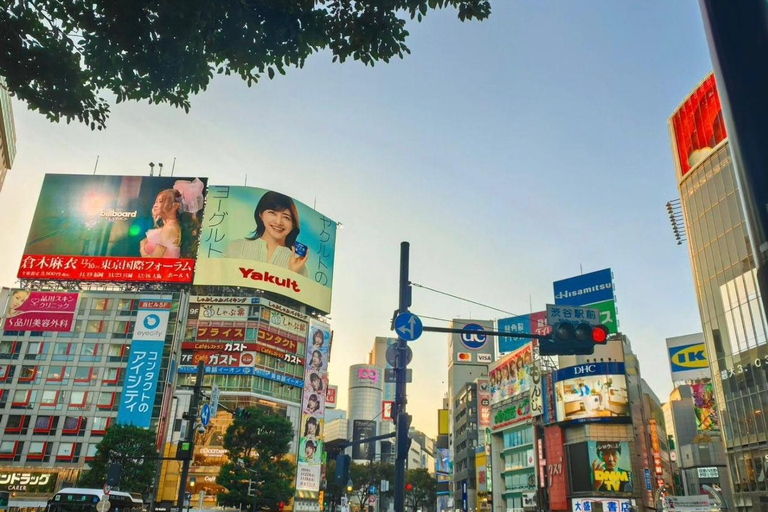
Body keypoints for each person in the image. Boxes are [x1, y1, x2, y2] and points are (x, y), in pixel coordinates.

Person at [224, 191, 309, 276]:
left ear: (293, 225)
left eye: (286, 217)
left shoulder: (299, 266)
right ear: (261, 214)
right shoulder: (235, 247)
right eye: (272, 213)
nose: (278, 222)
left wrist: (292, 273)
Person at [140, 179, 204, 259]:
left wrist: (142, 248)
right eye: (156, 202)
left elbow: (152, 261)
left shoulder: (170, 228)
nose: (155, 205)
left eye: (160, 201)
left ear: (175, 206)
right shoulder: (168, 226)